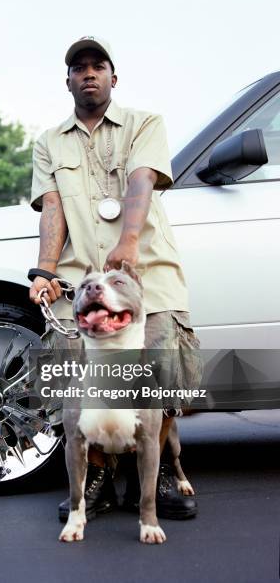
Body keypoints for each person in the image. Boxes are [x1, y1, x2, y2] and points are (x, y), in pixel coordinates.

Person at [28, 35, 201, 521]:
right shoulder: (48, 142)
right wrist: (44, 271)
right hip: (81, 276)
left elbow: (142, 179)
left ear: (112, 77)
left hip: (145, 269)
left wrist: (128, 241)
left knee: (162, 369)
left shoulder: (146, 123)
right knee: (67, 368)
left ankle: (163, 463)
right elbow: (53, 209)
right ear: (67, 81)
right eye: (78, 67)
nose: (88, 73)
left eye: (97, 65)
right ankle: (97, 472)